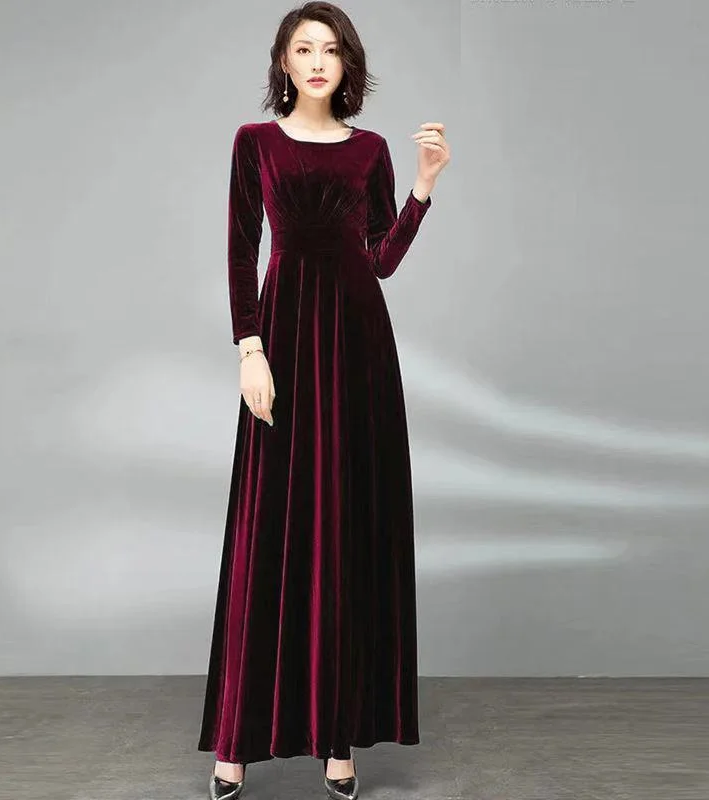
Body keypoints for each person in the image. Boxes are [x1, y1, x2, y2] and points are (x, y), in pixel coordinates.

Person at [197, 3, 450, 798]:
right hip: (281, 337)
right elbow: (240, 248)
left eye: (330, 50)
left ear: (347, 65)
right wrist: (249, 350)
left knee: (344, 531)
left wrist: (423, 189)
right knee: (267, 530)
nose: (316, 61)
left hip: (357, 347)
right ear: (283, 62)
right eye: (303, 49)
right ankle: (236, 741)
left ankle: (339, 738)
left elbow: (380, 260)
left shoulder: (371, 151)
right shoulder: (255, 143)